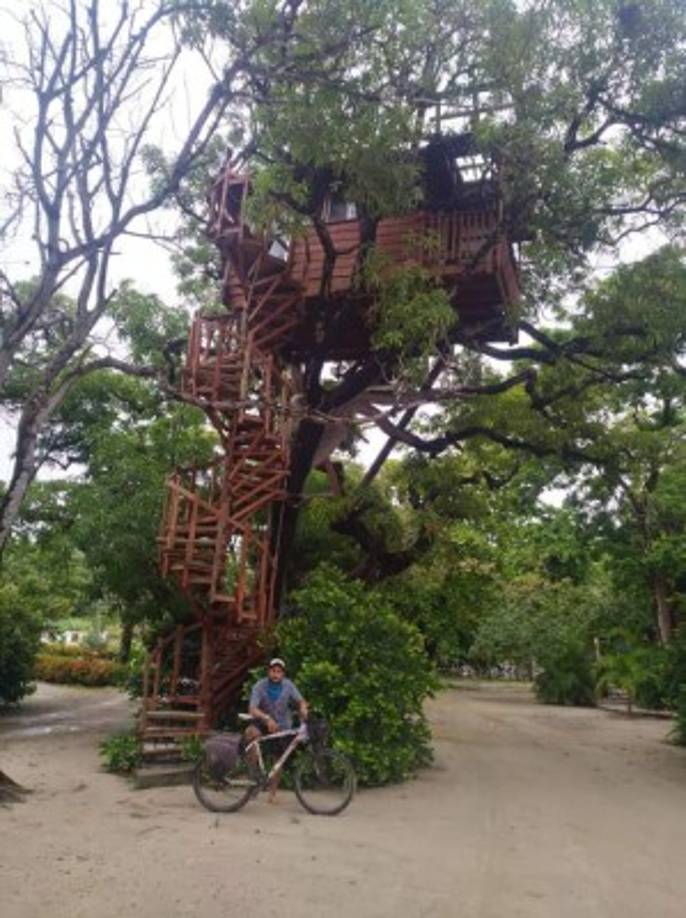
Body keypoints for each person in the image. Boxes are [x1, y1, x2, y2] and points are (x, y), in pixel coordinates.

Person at [246, 658, 308, 802]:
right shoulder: (260, 686)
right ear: (268, 672)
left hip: (282, 726)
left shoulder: (288, 685)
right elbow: (252, 709)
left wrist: (303, 708)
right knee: (250, 733)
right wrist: (267, 718)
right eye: (273, 671)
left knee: (278, 760)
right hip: (263, 722)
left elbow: (301, 701)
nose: (275, 674)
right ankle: (254, 776)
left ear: (283, 674)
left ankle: (272, 794)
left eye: (279, 672)